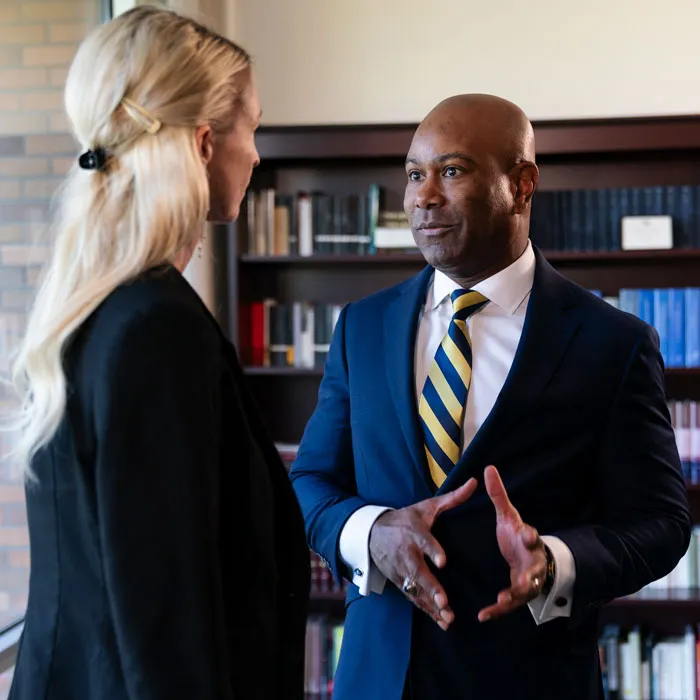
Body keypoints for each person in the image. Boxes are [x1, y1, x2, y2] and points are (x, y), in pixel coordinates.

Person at [289, 93, 691, 699]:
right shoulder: (361, 328)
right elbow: (310, 484)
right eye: (414, 175)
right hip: (378, 680)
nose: (423, 198)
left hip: (532, 679)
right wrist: (371, 533)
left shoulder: (615, 343)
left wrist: (555, 561)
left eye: (451, 172)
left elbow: (661, 523)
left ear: (522, 185)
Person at [6, 7, 309, 700]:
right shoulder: (155, 331)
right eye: (252, 127)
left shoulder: (89, 312)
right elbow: (167, 630)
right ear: (203, 143)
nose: (257, 153)